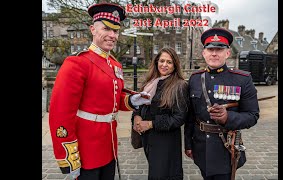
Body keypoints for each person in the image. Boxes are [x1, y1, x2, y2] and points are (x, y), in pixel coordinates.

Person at [48, 2, 151, 180]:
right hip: (87, 150)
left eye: (116, 31)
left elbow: (112, 100)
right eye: (106, 29)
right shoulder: (77, 63)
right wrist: (69, 157)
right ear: (92, 30)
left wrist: (131, 101)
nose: (112, 35)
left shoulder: (115, 65)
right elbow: (60, 113)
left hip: (109, 146)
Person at [184, 27, 260, 180]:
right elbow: (190, 116)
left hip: (225, 148)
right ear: (204, 53)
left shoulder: (242, 79)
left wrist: (228, 118)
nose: (214, 53)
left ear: (227, 53)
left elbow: (252, 115)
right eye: (210, 49)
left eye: (219, 49)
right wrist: (188, 145)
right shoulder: (195, 79)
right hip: (200, 146)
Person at [132, 47, 189, 180]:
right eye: (162, 61)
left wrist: (151, 124)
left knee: (163, 175)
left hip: (166, 142)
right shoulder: (150, 82)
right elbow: (139, 105)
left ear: (175, 65)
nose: (164, 65)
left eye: (169, 62)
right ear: (156, 62)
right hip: (148, 139)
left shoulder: (179, 85)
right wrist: (136, 116)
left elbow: (179, 118)